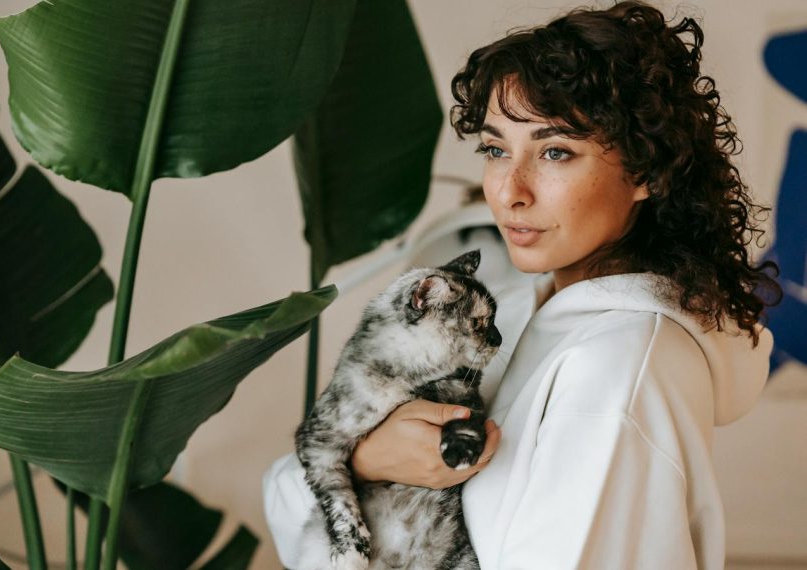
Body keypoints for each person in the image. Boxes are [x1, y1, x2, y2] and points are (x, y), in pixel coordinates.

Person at [264, 2, 782, 568]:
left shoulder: (617, 368)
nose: (510, 190)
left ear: (648, 174)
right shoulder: (508, 314)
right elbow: (286, 494)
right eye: (495, 149)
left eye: (555, 152)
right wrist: (368, 459)